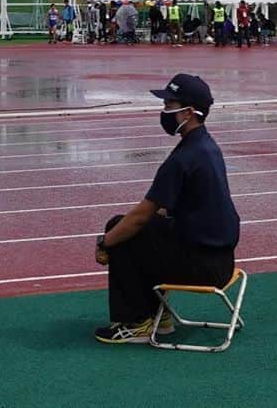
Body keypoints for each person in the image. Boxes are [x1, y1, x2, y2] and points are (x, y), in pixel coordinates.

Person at [94, 73, 240, 344]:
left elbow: (141, 216)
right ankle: (159, 318)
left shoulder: (184, 158)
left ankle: (137, 322)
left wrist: (105, 243)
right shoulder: (206, 146)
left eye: (169, 105)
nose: (164, 111)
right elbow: (164, 209)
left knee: (122, 233)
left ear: (189, 111)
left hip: (203, 267)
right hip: (221, 259)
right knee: (129, 227)